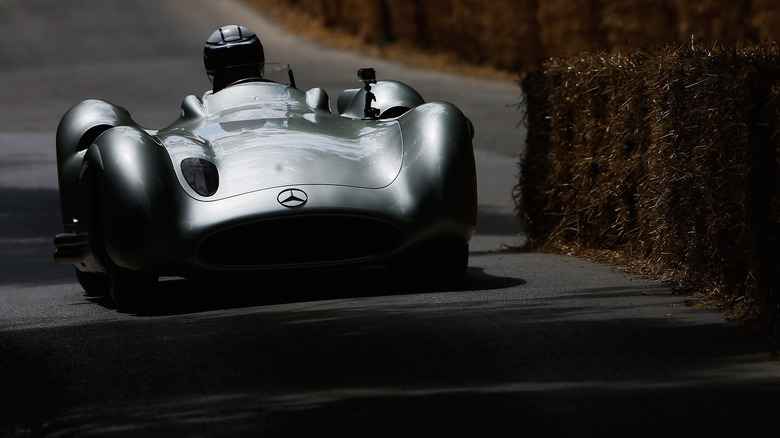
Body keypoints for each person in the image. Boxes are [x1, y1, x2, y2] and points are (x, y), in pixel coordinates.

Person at [203, 25, 265, 93]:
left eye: (245, 59)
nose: (238, 72)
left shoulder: (273, 94)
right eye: (225, 62)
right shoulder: (209, 102)